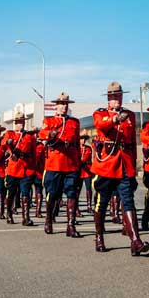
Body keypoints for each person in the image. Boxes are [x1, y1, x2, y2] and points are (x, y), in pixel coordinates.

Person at [91, 81, 149, 256]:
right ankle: (99, 237)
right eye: (113, 97)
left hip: (124, 164)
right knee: (102, 203)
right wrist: (115, 119)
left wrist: (134, 165)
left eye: (119, 96)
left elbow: (132, 143)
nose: (116, 99)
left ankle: (135, 241)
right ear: (108, 99)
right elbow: (101, 125)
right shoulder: (100, 113)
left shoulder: (130, 115)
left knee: (128, 201)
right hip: (107, 165)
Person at [38, 92, 82, 237]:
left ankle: (71, 225)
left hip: (71, 163)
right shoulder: (49, 120)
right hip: (55, 163)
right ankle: (49, 220)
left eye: (65, 104)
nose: (63, 107)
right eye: (61, 104)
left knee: (72, 194)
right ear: (56, 106)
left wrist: (78, 162)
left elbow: (76, 143)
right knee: (52, 194)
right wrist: (51, 134)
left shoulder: (74, 122)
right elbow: (42, 133)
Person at [2, 111, 37, 225]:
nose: (20, 124)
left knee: (25, 193)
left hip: (26, 168)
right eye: (18, 122)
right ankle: (9, 214)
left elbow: (33, 152)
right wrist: (8, 142)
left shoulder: (29, 136)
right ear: (14, 123)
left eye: (22, 121)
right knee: (11, 193)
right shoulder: (9, 134)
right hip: (13, 169)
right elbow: (3, 144)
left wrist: (30, 161)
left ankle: (25, 218)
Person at [77, 129, 94, 214]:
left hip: (87, 171)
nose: (83, 140)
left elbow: (89, 159)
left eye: (84, 139)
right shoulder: (76, 148)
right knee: (77, 189)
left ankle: (89, 206)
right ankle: (76, 207)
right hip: (79, 171)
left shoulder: (88, 148)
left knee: (89, 189)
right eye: (81, 138)